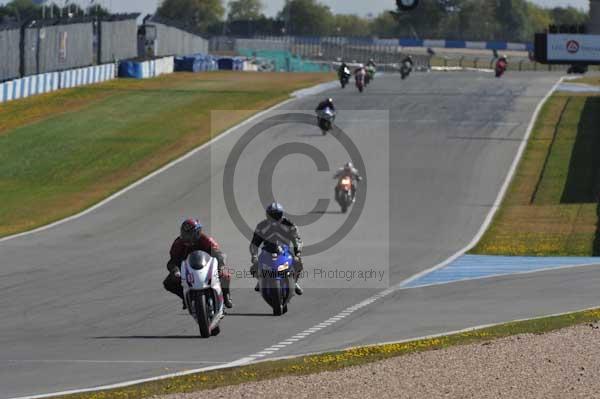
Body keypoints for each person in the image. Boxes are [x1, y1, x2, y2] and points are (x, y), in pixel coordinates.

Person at [163, 218, 233, 309]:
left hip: (207, 266)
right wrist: (175, 271)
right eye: (184, 233)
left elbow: (218, 254)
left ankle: (226, 295)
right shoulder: (178, 243)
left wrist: (221, 266)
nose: (185, 237)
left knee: (225, 274)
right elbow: (172, 261)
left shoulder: (206, 240)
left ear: (197, 233)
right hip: (187, 269)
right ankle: (185, 298)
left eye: (189, 234)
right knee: (168, 283)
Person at [249, 203, 304, 295]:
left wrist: (297, 253)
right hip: (267, 250)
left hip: (285, 250)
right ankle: (260, 280)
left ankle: (294, 282)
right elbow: (254, 243)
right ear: (267, 215)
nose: (274, 217)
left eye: (276, 215)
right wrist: (254, 256)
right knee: (254, 267)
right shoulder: (261, 226)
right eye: (272, 215)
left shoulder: (289, 224)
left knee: (298, 263)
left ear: (281, 214)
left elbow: (297, 239)